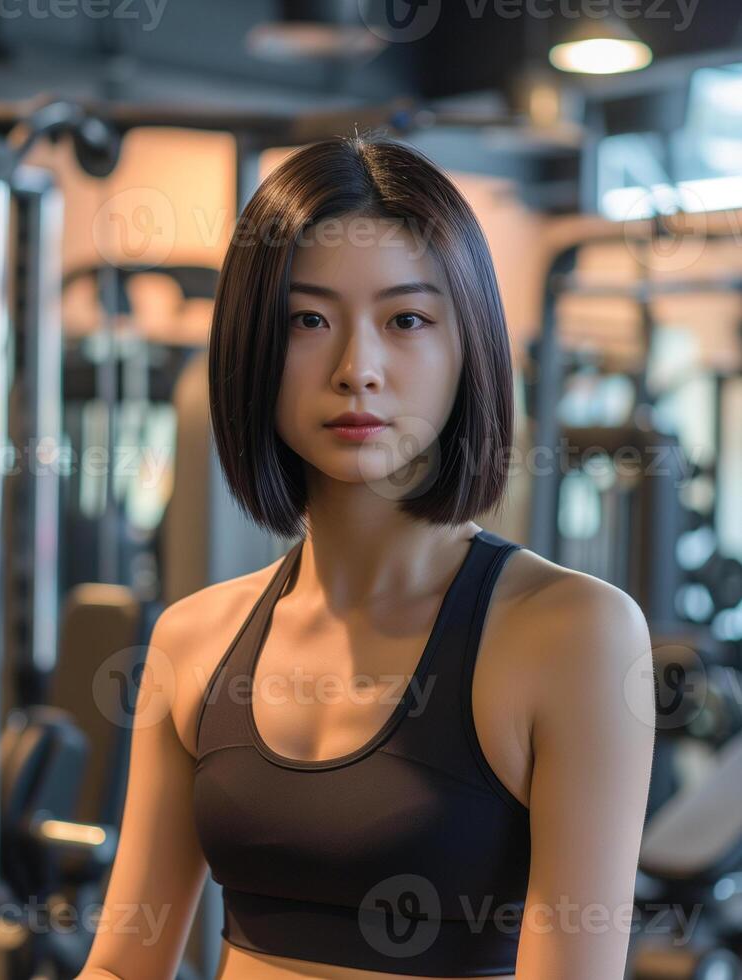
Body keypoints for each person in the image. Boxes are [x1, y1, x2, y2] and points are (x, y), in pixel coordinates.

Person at [76, 135, 655, 980]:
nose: (358, 370)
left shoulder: (575, 636)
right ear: (253, 351)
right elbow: (125, 965)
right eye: (308, 321)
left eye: (406, 321)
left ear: (469, 352)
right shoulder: (192, 639)